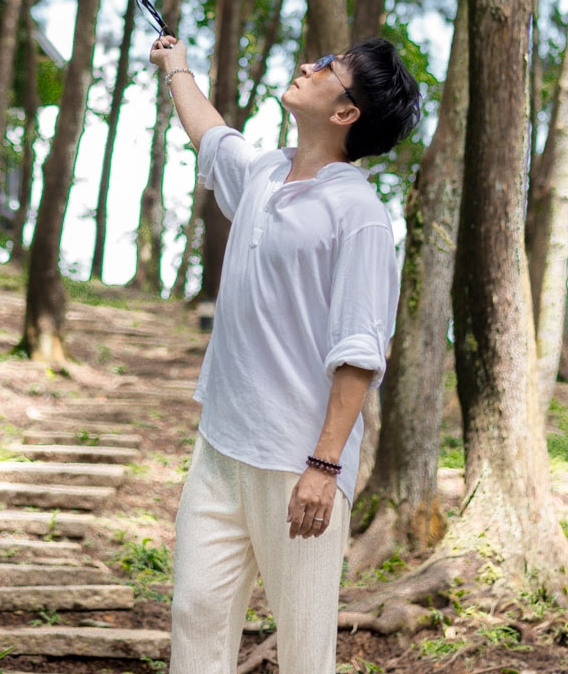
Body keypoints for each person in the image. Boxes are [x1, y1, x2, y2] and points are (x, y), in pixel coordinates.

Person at [146, 33, 422, 674]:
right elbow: (211, 136)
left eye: (328, 67)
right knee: (196, 622)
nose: (309, 64)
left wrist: (324, 468)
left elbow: (359, 351)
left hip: (298, 463)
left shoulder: (359, 215)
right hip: (220, 447)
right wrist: (177, 66)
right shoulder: (267, 173)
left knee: (303, 650)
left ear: (346, 112)